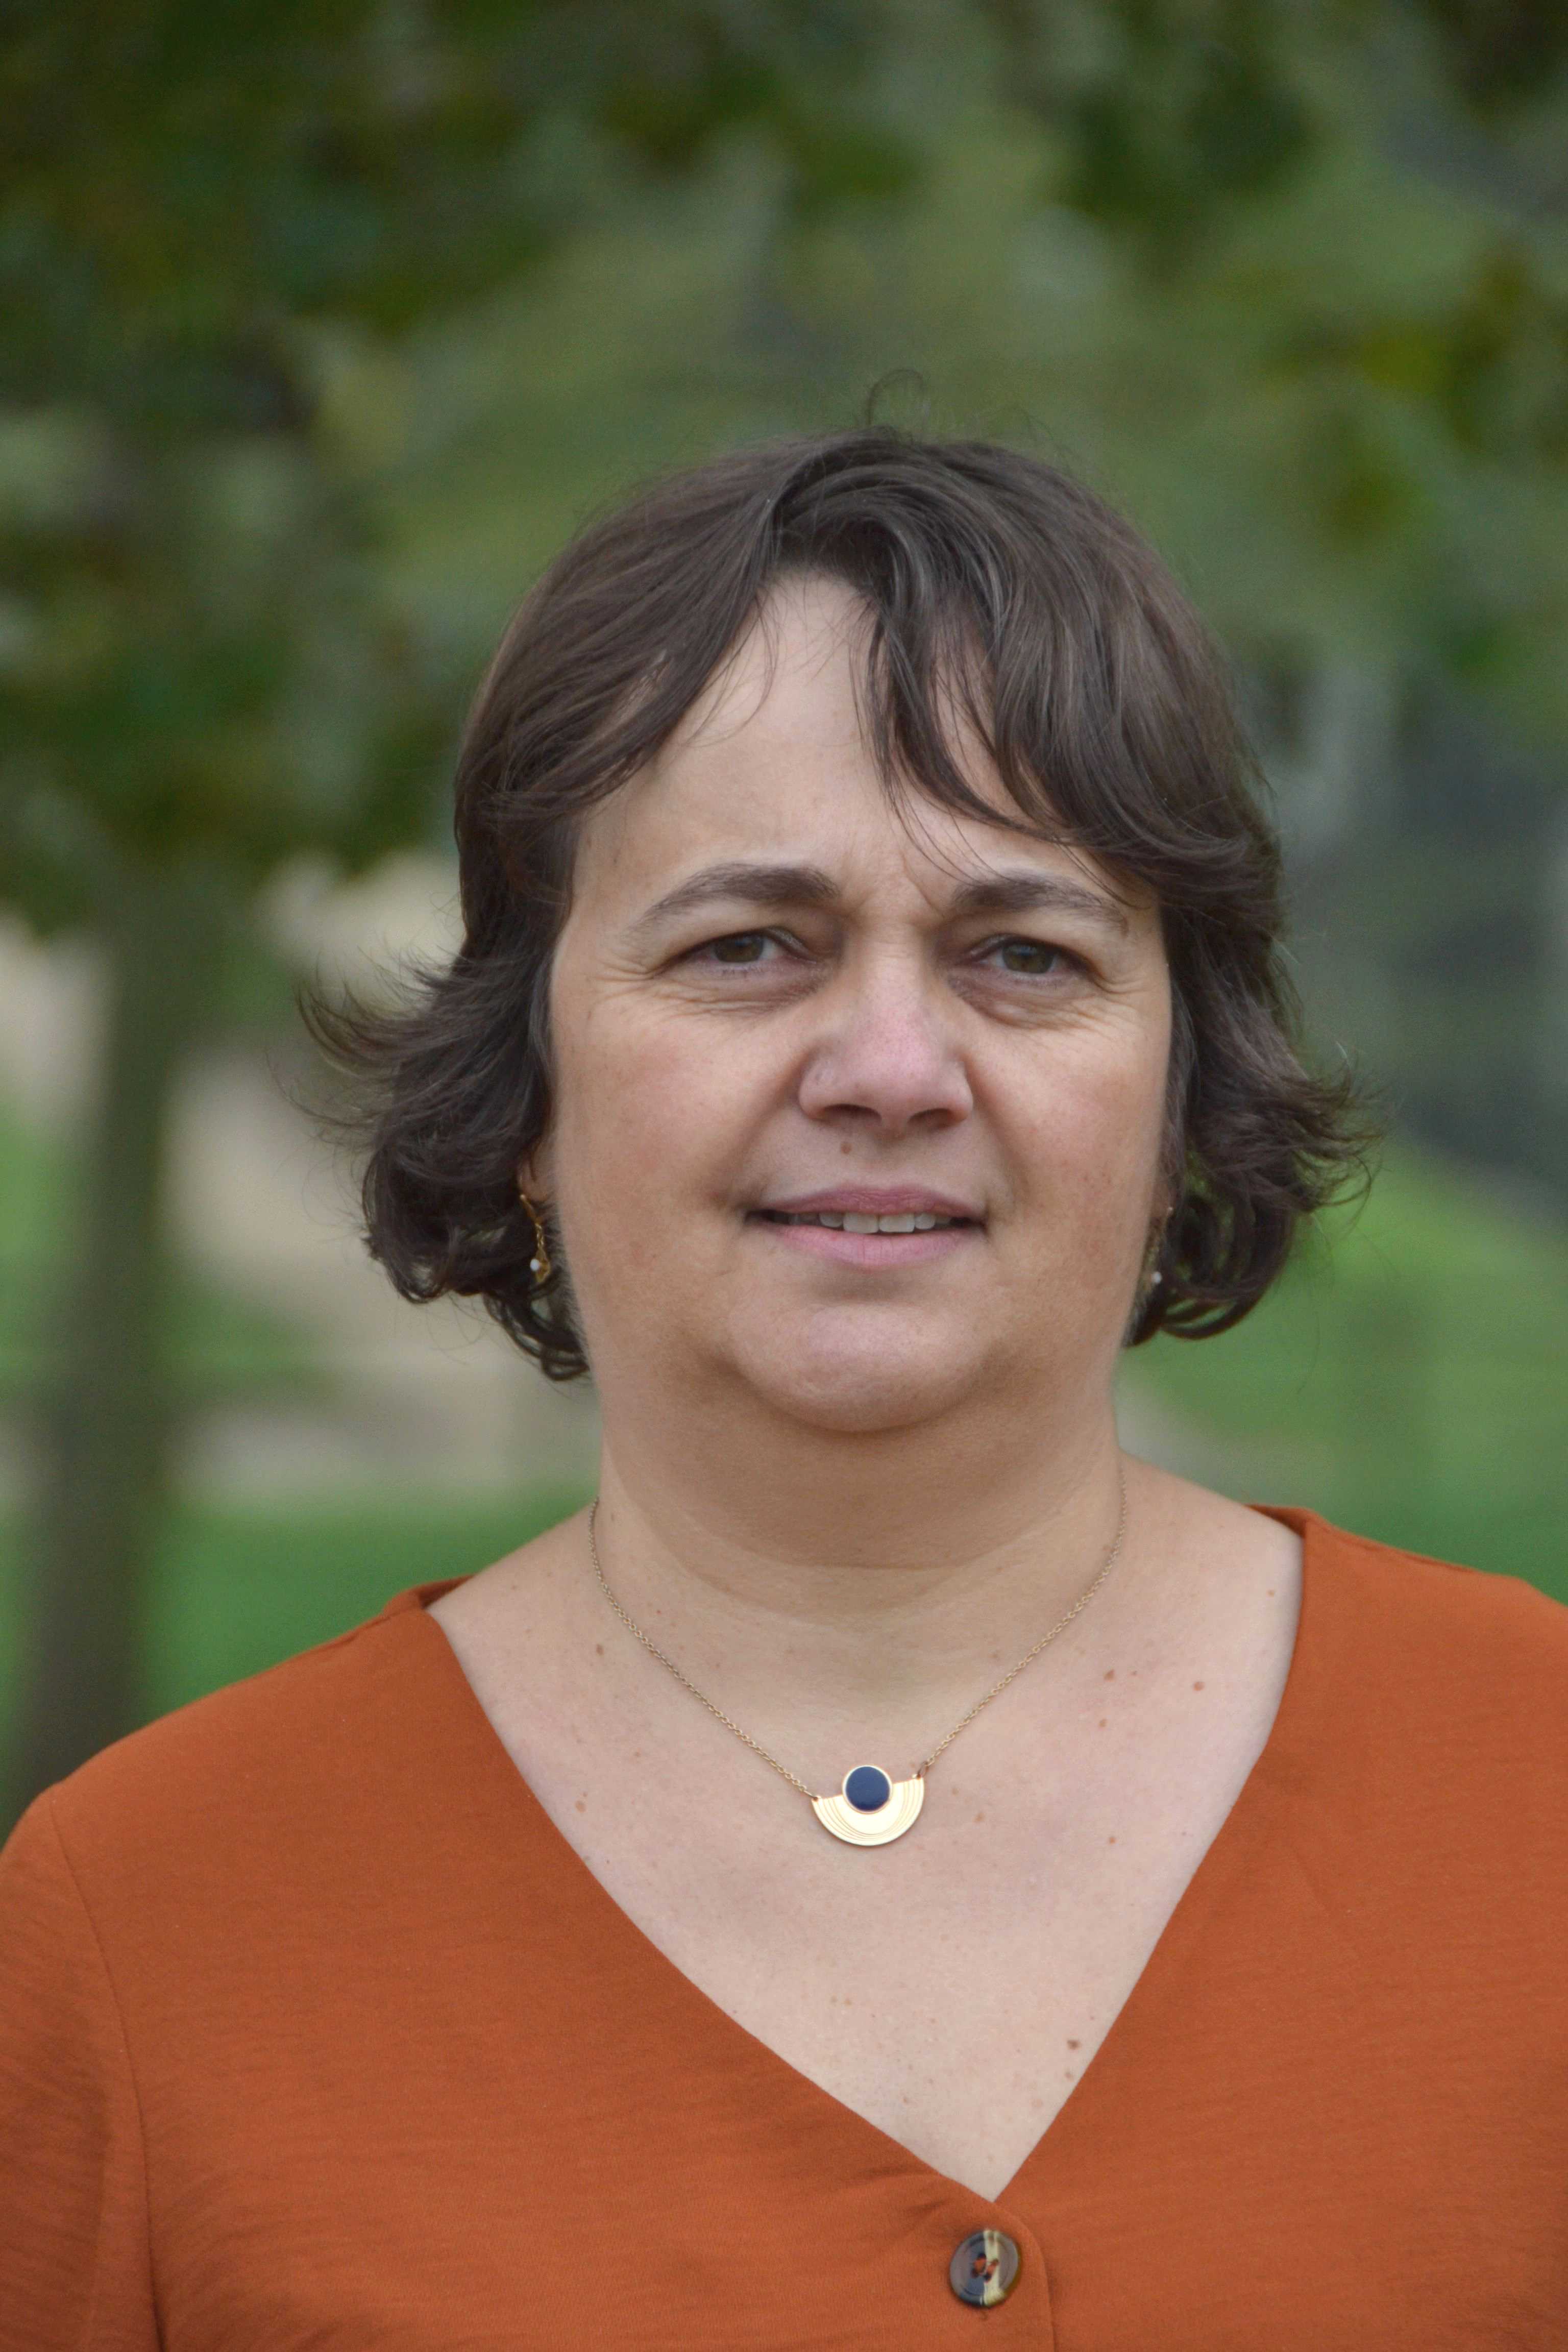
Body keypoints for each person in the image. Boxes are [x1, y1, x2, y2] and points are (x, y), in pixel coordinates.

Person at [2, 431, 1564, 2349]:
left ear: (1181, 1094)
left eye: (1021, 952)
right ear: (527, 1084)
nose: (890, 1067)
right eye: (749, 946)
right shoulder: (145, 1931)